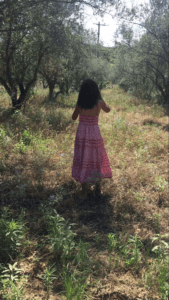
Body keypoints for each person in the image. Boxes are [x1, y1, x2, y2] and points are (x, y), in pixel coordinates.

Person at [71, 79, 112, 199]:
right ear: (96, 91)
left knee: (83, 157)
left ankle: (84, 191)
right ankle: (98, 187)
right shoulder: (99, 102)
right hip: (94, 132)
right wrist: (102, 99)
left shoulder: (80, 103)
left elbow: (73, 118)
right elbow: (108, 110)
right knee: (95, 158)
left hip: (82, 133)